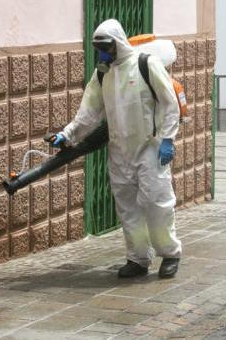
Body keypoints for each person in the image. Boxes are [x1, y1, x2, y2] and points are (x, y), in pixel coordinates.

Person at [49, 19, 183, 279]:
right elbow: (88, 112)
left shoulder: (145, 64)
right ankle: (138, 258)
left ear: (118, 43)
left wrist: (167, 138)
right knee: (127, 207)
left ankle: (170, 253)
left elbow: (170, 104)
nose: (102, 53)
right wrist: (66, 134)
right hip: (119, 150)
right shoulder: (103, 74)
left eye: (106, 47)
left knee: (157, 202)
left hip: (149, 147)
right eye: (98, 48)